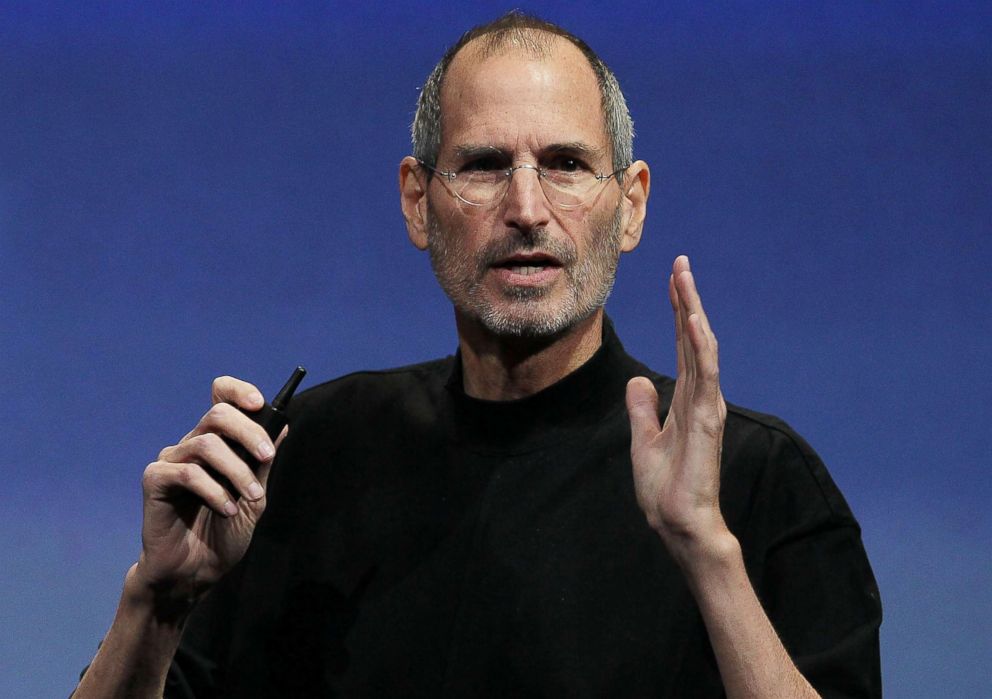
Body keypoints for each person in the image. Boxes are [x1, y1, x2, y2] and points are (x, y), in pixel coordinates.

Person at [75, 12, 881, 698]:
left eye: (565, 165)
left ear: (629, 205)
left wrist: (707, 550)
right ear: (418, 202)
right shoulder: (294, 465)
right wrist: (158, 600)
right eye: (485, 166)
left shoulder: (757, 482)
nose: (527, 209)